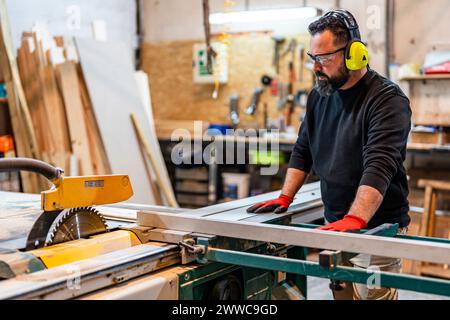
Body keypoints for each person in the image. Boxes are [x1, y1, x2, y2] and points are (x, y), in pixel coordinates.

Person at [247, 9, 412, 300]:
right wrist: (286, 195)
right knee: (343, 297)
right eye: (313, 58)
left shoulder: (387, 99)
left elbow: (379, 164)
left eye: (323, 59)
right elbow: (303, 149)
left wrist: (357, 219)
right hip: (336, 225)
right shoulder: (319, 95)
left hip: (377, 230)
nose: (315, 68)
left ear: (354, 54)